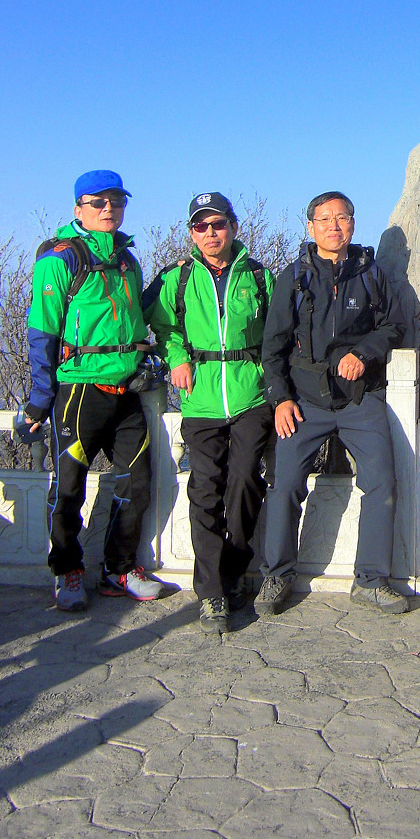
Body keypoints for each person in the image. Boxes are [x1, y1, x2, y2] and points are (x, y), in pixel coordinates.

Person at [256, 191, 407, 616]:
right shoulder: (294, 277)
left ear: (353, 224)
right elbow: (273, 346)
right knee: (285, 483)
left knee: (381, 482)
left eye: (342, 218)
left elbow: (394, 325)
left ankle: (371, 581)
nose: (334, 226)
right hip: (304, 401)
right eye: (324, 219)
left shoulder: (371, 273)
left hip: (360, 398)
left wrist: (364, 352)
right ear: (311, 227)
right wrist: (280, 399)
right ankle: (277, 575)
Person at [21, 170, 165, 611]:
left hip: (126, 389)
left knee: (137, 482)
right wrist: (40, 399)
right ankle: (66, 570)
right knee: (69, 488)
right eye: (98, 202)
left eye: (116, 201)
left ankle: (119, 569)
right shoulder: (60, 259)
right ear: (78, 209)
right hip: (80, 389)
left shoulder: (127, 259)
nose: (108, 209)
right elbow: (42, 331)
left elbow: (135, 315)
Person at [144, 193, 275, 634]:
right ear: (191, 233)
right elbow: (162, 325)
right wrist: (177, 357)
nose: (211, 233)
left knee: (245, 482)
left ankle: (234, 570)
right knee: (204, 491)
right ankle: (212, 592)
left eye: (218, 224)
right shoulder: (177, 277)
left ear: (233, 227)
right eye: (201, 226)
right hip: (199, 399)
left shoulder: (258, 276)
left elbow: (278, 330)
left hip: (250, 396)